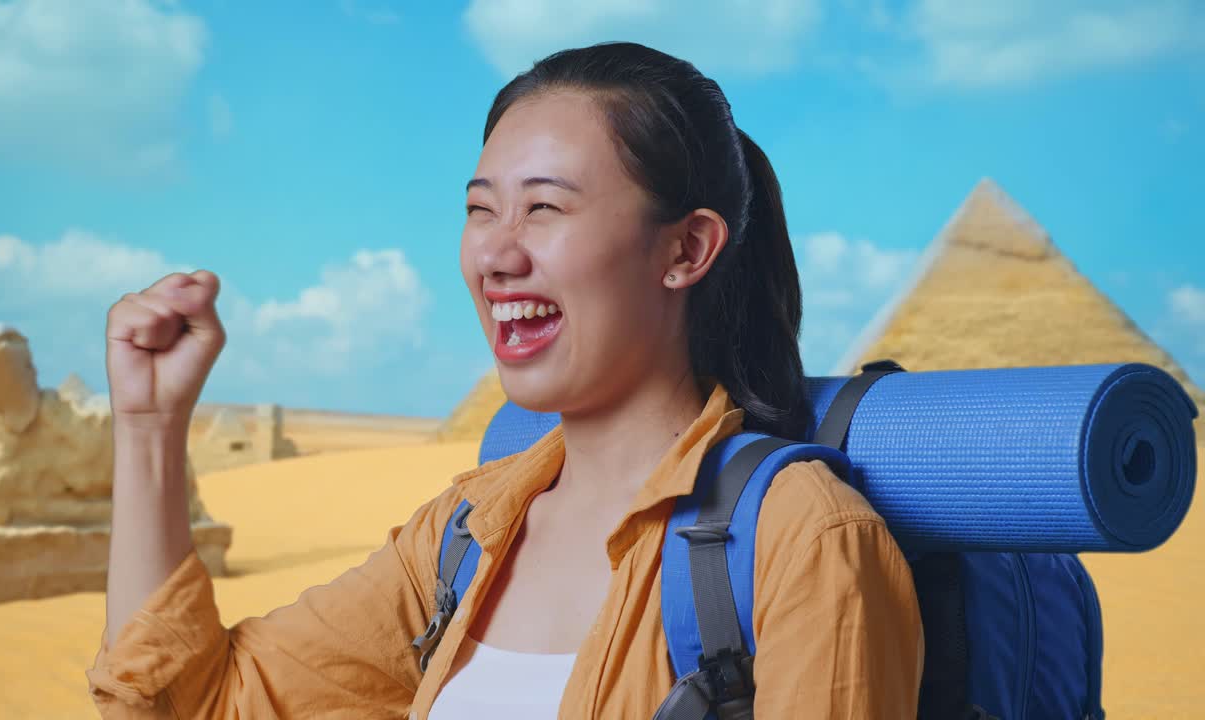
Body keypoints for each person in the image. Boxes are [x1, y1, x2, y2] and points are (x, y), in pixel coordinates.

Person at [88, 41, 923, 719]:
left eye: (544, 208)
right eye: (481, 210)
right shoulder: (462, 537)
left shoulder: (805, 543)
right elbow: (195, 705)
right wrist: (149, 427)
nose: (495, 254)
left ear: (685, 250)